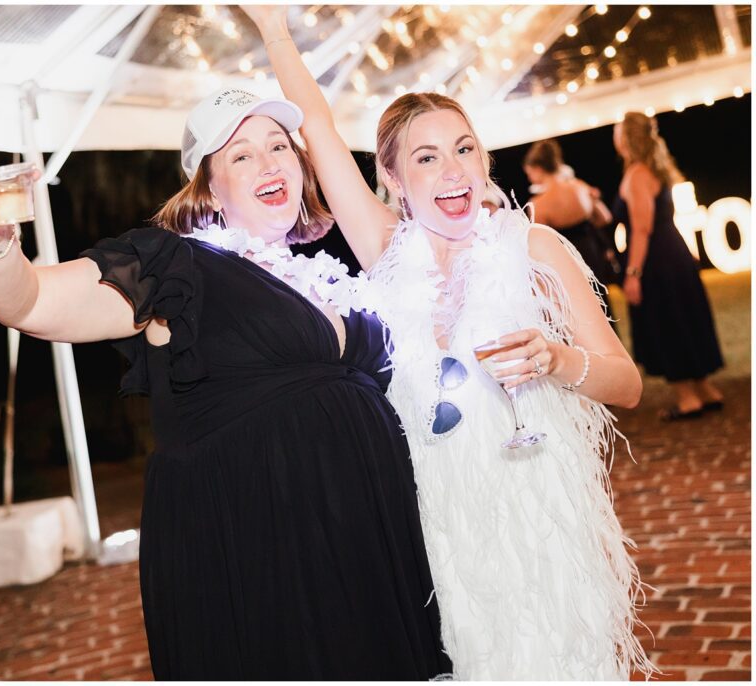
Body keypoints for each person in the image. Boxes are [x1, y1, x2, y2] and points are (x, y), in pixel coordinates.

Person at [0, 88, 452, 679]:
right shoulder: (179, 269)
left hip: (369, 543)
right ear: (208, 188)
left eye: (279, 146)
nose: (268, 163)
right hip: (265, 553)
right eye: (240, 155)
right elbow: (30, 303)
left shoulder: (336, 281)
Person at [245, 6, 655, 680]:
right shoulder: (385, 251)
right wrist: (274, 28)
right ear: (393, 180)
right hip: (432, 528)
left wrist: (558, 361)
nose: (454, 170)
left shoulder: (533, 247)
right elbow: (316, 127)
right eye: (427, 158)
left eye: (464, 149)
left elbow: (628, 383)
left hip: (536, 518)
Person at [613, 112, 725, 420]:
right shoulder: (656, 168)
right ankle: (706, 390)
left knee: (668, 322)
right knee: (686, 317)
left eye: (617, 132)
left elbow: (642, 228)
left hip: (656, 261)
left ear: (626, 138)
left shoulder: (637, 174)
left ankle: (688, 399)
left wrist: (633, 273)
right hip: (674, 253)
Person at [523, 139, 621, 319]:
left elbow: (540, 249)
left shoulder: (539, 204)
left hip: (568, 261)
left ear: (538, 169)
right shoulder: (580, 187)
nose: (529, 178)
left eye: (529, 173)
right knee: (602, 306)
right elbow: (604, 218)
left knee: (581, 313)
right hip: (592, 254)